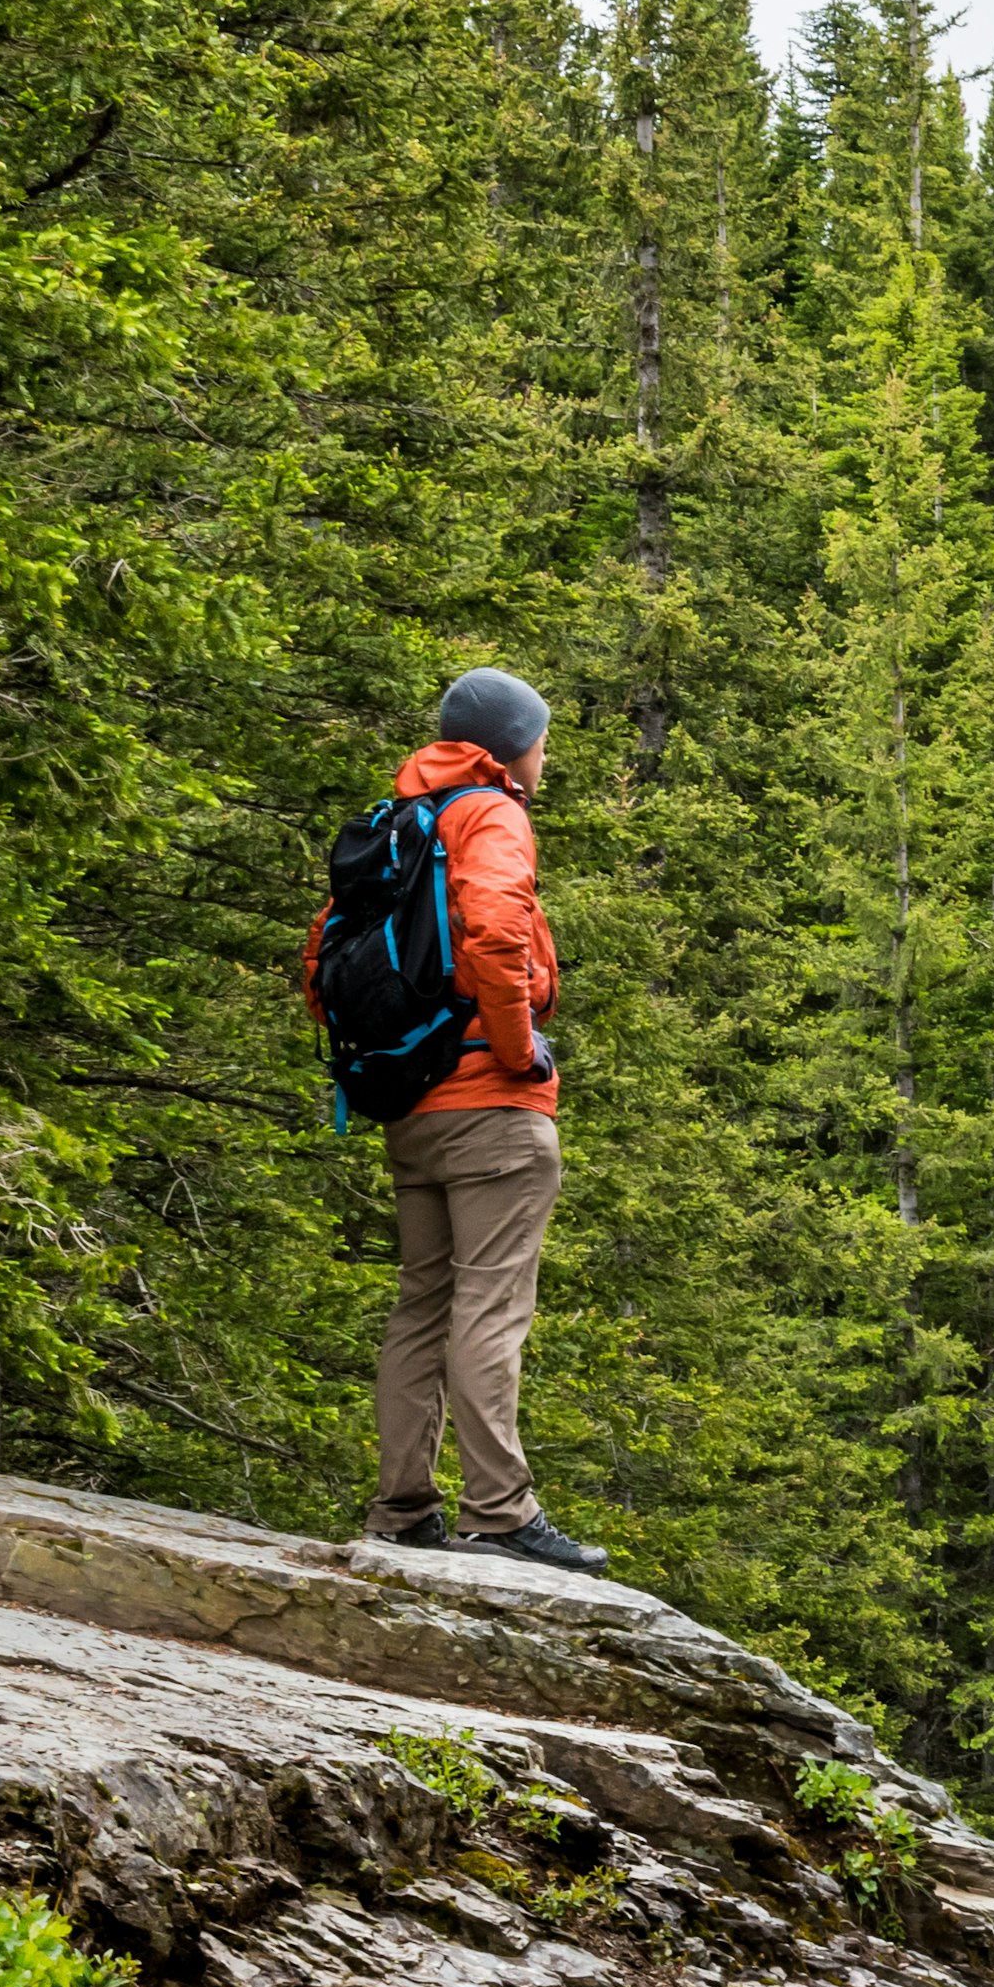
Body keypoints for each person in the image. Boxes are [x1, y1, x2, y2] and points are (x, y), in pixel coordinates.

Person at [310, 669, 611, 1572]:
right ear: (512, 740)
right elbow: (495, 933)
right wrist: (519, 1052)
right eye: (542, 737)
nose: (545, 753)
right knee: (491, 1303)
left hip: (413, 1106)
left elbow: (324, 953)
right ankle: (499, 1510)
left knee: (423, 1303)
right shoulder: (491, 813)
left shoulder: (402, 820)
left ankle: (402, 1508)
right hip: (492, 1106)